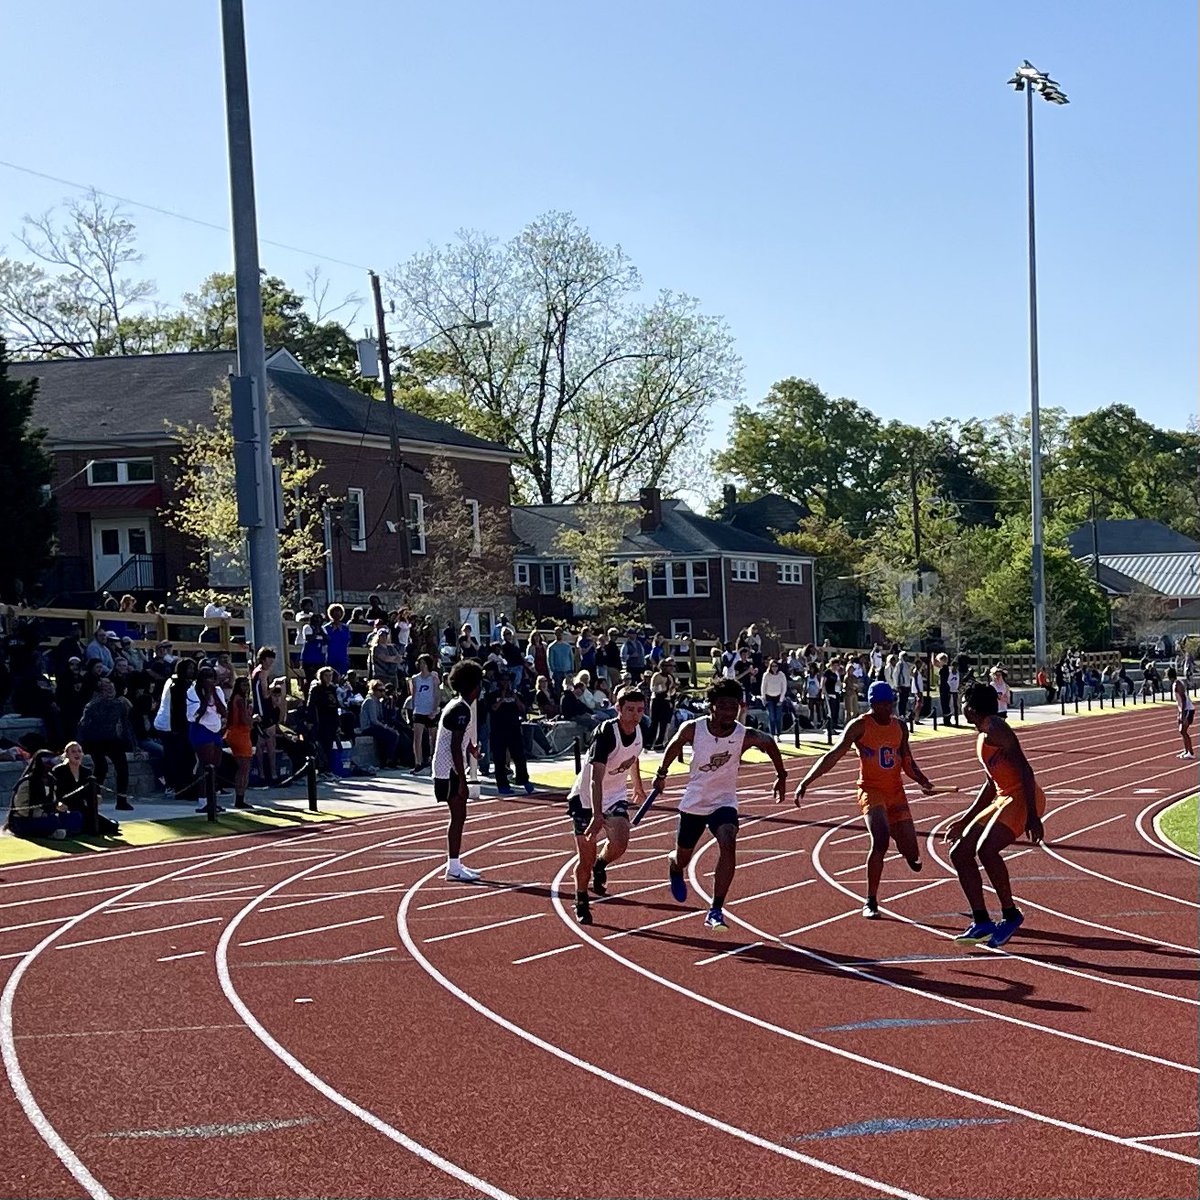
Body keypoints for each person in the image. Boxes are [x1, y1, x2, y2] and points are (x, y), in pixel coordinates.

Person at [654, 678, 789, 931]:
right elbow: (674, 745)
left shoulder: (743, 735)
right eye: (723, 706)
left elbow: (768, 742)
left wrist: (781, 775)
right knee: (683, 858)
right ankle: (674, 865)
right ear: (711, 706)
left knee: (728, 841)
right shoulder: (694, 729)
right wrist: (661, 774)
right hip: (695, 802)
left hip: (723, 801)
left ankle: (716, 909)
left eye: (733, 707)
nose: (729, 712)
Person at [795, 680, 936, 919]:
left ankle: (906, 849)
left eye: (890, 704)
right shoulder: (860, 726)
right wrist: (806, 781)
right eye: (883, 704)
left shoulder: (900, 727)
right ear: (872, 704)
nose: (888, 709)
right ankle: (870, 899)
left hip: (896, 792)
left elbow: (907, 761)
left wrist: (923, 781)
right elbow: (834, 754)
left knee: (912, 852)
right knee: (880, 840)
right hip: (871, 790)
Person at [943, 681, 1046, 948]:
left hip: (1022, 797)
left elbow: (1026, 770)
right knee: (959, 852)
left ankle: (1011, 914)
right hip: (1003, 797)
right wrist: (965, 820)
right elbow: (991, 784)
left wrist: (1033, 816)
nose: (961, 706)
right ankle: (982, 921)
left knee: (986, 850)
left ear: (971, 708)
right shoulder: (981, 736)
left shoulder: (996, 728)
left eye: (963, 702)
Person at [567, 686, 648, 925]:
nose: (635, 715)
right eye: (630, 709)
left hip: (615, 795)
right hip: (586, 799)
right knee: (585, 858)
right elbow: (595, 778)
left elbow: (633, 757)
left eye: (640, 710)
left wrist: (638, 786)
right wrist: (597, 814)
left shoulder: (640, 730)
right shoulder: (606, 733)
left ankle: (601, 864)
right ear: (618, 709)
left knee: (621, 842)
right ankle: (581, 899)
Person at [433, 660, 485, 882]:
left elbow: (458, 738)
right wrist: (463, 780)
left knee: (460, 816)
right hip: (448, 770)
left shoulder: (459, 705)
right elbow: (454, 746)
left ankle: (454, 864)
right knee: (458, 816)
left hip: (450, 768)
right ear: (474, 686)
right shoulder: (460, 709)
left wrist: (471, 748)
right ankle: (453, 867)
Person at [54, 741, 120, 836]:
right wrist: (58, 803)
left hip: (81, 808)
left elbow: (90, 793)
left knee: (111, 827)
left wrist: (96, 797)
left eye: (79, 751)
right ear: (67, 754)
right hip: (64, 808)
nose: (77, 754)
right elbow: (54, 791)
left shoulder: (86, 772)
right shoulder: (59, 770)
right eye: (73, 751)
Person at [187, 667, 228, 813]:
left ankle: (213, 800)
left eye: (211, 677)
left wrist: (213, 694)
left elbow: (223, 711)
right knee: (206, 765)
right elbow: (195, 715)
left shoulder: (218, 691)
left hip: (215, 729)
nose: (209, 680)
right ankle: (203, 801)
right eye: (206, 677)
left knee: (215, 764)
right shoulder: (193, 692)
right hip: (201, 729)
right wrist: (206, 696)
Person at [224, 676, 255, 809]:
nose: (246, 688)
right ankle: (240, 798)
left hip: (234, 733)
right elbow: (244, 720)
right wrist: (254, 720)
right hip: (240, 734)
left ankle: (240, 798)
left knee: (242, 768)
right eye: (243, 685)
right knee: (244, 768)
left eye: (247, 685)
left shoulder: (236, 699)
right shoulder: (240, 700)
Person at [408, 654, 441, 773]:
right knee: (417, 738)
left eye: (422, 663)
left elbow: (437, 694)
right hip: (419, 709)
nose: (420, 665)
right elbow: (414, 694)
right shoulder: (415, 678)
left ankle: (434, 760)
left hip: (430, 709)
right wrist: (413, 708)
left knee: (434, 737)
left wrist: (434, 709)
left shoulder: (434, 678)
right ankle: (418, 762)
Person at [359, 679, 402, 768]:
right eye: (380, 690)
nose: (383, 693)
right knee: (392, 735)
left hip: (376, 726)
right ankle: (389, 760)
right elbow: (374, 720)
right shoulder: (370, 701)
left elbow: (382, 717)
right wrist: (386, 727)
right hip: (368, 727)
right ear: (374, 690)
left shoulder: (378, 701)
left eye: (383, 690)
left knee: (394, 733)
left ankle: (394, 759)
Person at [646, 661, 676, 750]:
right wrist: (663, 687)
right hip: (656, 700)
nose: (666, 668)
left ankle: (659, 743)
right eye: (664, 666)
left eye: (668, 666)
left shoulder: (670, 677)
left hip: (666, 700)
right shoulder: (656, 676)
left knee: (664, 723)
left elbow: (671, 691)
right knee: (654, 722)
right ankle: (649, 742)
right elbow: (653, 688)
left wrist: (673, 689)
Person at [1168, 667, 1195, 759]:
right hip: (1184, 710)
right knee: (1182, 731)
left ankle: (1190, 752)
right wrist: (1179, 712)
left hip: (1187, 709)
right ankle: (1187, 751)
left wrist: (1182, 714)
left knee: (1183, 730)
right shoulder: (1176, 683)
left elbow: (1183, 699)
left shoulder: (1177, 684)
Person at [760, 658, 788, 738]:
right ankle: (772, 734)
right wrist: (764, 698)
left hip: (778, 697)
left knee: (778, 717)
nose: (774, 668)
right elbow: (763, 687)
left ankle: (778, 734)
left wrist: (781, 700)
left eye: (776, 666)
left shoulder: (781, 675)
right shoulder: (766, 675)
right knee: (771, 717)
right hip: (769, 698)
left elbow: (784, 687)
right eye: (772, 666)